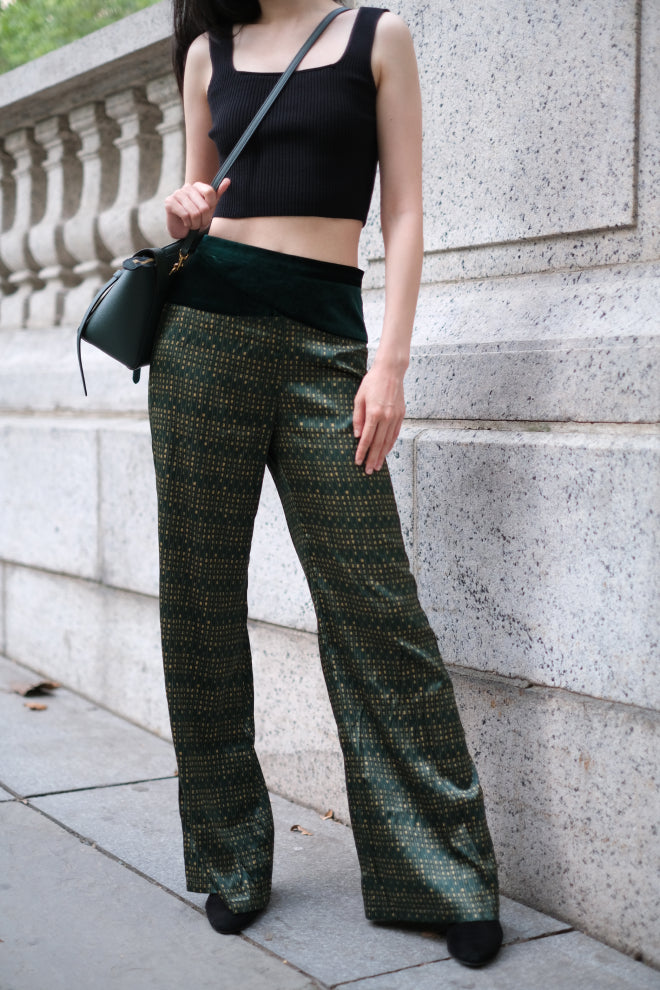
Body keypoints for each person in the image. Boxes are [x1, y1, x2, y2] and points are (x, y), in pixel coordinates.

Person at [150, 0, 503, 969]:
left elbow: (407, 211)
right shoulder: (205, 54)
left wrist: (387, 364)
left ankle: (444, 870)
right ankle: (230, 857)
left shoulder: (375, 35)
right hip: (202, 335)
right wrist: (180, 208)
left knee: (374, 606)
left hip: (326, 349)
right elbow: (188, 195)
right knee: (201, 601)